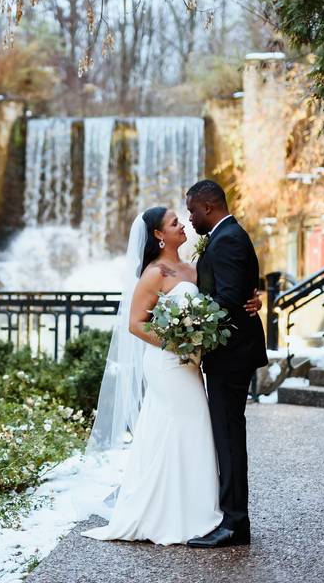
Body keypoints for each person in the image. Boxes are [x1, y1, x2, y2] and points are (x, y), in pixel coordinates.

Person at [82, 203, 261, 545]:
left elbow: (223, 298)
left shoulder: (194, 268)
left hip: (191, 366)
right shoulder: (155, 273)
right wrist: (175, 343)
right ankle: (175, 514)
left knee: (191, 431)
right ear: (158, 235)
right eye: (175, 222)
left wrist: (253, 301)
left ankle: (197, 511)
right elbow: (135, 324)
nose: (183, 225)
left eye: (182, 219)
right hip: (167, 364)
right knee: (187, 425)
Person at [185, 179, 268, 549]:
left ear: (207, 207)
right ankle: (232, 518)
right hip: (229, 352)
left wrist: (189, 326)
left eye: (191, 210)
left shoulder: (229, 237)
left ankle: (235, 524)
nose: (190, 218)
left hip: (232, 354)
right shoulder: (225, 236)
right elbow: (233, 289)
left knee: (230, 437)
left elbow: (230, 298)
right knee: (227, 435)